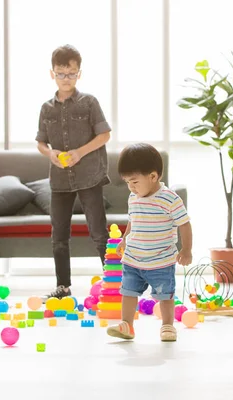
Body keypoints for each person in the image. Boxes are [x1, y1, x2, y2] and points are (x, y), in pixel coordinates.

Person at [36, 44, 111, 300]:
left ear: (79, 74)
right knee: (59, 236)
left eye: (71, 73)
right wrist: (51, 154)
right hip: (59, 180)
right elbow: (41, 142)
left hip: (89, 176)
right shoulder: (46, 109)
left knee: (99, 233)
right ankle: (63, 287)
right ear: (52, 73)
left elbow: (105, 135)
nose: (65, 79)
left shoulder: (89, 103)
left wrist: (80, 152)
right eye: (60, 73)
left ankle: (115, 284)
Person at [106, 143, 193, 342]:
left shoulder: (170, 199)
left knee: (165, 295)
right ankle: (126, 325)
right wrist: (124, 239)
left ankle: (167, 325)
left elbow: (185, 224)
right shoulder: (133, 197)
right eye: (128, 182)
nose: (131, 187)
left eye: (135, 181)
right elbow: (133, 220)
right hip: (133, 259)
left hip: (160, 260)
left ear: (153, 176)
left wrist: (186, 250)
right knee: (128, 293)